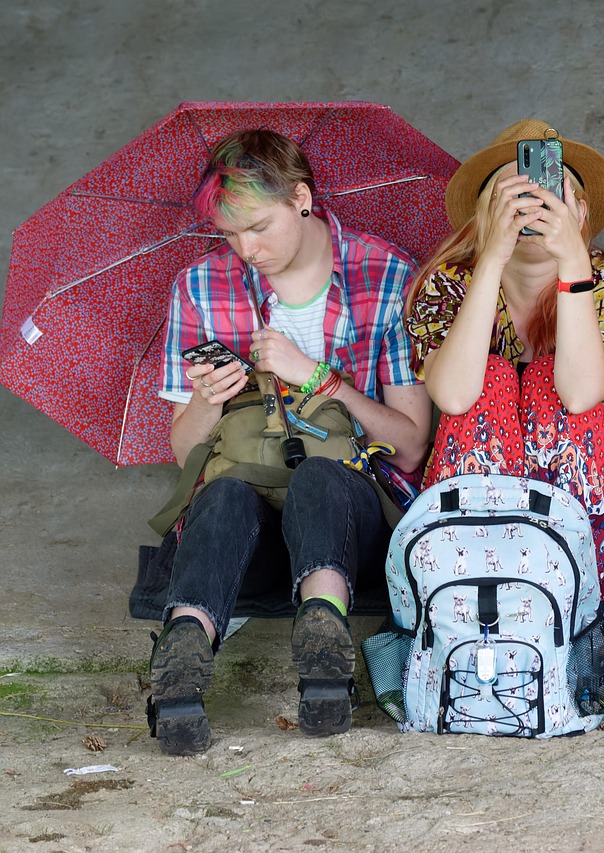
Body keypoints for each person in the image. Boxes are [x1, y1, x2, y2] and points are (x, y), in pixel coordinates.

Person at [148, 129, 431, 755]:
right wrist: (206, 398)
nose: (247, 249)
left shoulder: (384, 274)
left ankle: (322, 640)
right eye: (229, 233)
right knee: (220, 494)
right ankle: (182, 658)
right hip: (249, 510)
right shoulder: (200, 286)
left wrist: (323, 380)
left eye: (259, 227)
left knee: (320, 480)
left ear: (302, 198)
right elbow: (183, 455)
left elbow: (410, 448)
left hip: (347, 509)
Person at [403, 119, 604, 605]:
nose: (534, 211)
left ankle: (580, 613)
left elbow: (581, 394)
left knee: (548, 380)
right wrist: (491, 258)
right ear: (486, 214)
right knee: (491, 378)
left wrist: (573, 266)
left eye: (548, 196)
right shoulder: (445, 285)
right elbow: (454, 396)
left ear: (579, 210)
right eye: (514, 199)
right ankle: (481, 607)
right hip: (478, 536)